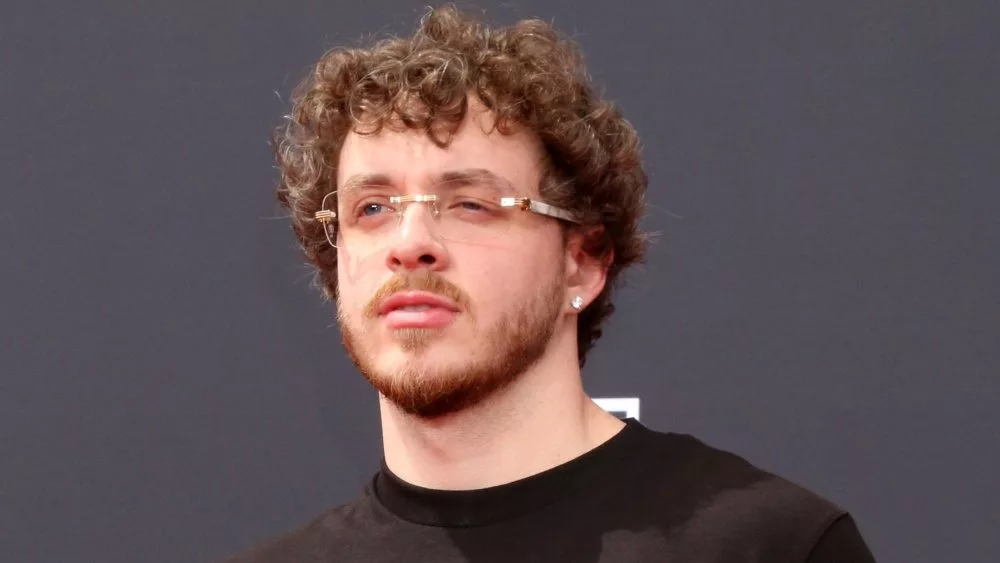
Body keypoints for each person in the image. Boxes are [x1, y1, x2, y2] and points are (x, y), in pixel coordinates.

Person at [224, 5, 876, 562]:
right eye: (372, 208)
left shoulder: (771, 546)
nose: (409, 243)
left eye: (471, 203)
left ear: (582, 262)